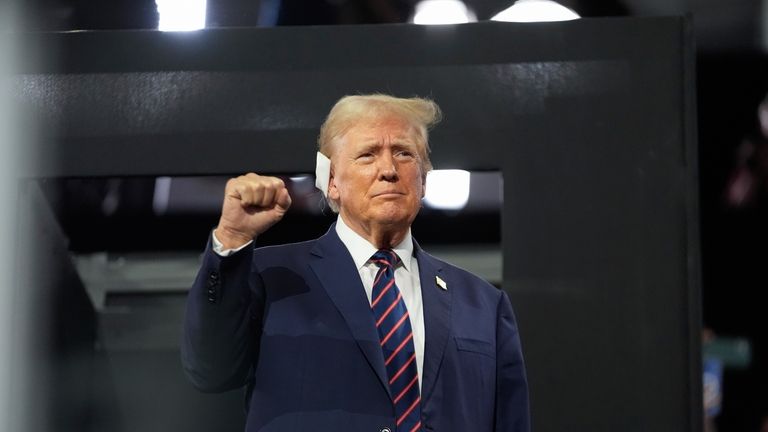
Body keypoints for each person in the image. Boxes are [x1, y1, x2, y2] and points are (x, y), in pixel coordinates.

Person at [182, 94, 530, 432]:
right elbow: (211, 370)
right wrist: (231, 238)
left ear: (423, 179)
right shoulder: (273, 276)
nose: (389, 170)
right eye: (367, 155)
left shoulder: (484, 303)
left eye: (404, 154)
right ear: (332, 182)